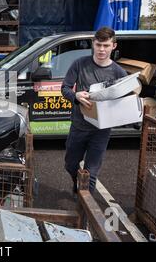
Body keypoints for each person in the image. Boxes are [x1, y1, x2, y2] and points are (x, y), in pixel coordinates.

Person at [61, 27, 127, 194]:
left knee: (90, 173)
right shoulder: (80, 64)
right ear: (93, 44)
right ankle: (77, 184)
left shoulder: (119, 73)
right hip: (79, 126)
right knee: (70, 164)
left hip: (101, 131)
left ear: (114, 46)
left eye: (106, 45)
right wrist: (75, 95)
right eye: (98, 45)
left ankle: (84, 213)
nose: (101, 50)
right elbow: (65, 88)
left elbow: (124, 102)